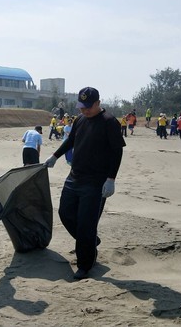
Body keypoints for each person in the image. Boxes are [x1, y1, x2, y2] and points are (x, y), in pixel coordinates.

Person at [44, 87, 125, 280]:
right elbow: (71, 141)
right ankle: (90, 242)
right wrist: (55, 156)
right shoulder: (80, 120)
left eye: (88, 107)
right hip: (74, 178)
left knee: (86, 225)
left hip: (96, 182)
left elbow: (117, 152)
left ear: (98, 103)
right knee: (65, 213)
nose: (84, 111)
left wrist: (111, 179)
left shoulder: (109, 122)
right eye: (82, 107)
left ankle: (85, 265)